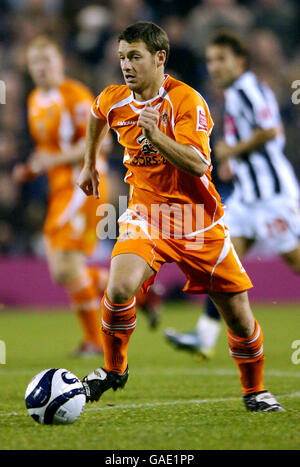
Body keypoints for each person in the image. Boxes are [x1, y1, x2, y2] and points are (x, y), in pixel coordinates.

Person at [78, 21, 284, 412]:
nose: (126, 65)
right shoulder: (114, 99)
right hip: (147, 216)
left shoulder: (187, 102)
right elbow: (96, 114)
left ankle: (254, 391)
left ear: (159, 58)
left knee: (239, 319)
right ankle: (113, 370)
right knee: (119, 288)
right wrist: (89, 163)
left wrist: (156, 137)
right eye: (122, 57)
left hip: (199, 224)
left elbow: (198, 162)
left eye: (134, 56)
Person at [165, 31, 300, 359]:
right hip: (247, 197)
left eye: (221, 59)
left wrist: (230, 150)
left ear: (239, 61)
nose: (214, 67)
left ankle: (205, 336)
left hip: (272, 196)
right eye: (210, 60)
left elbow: (271, 131)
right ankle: (204, 337)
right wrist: (233, 162)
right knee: (222, 262)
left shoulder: (247, 89)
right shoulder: (237, 92)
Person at [13, 36, 111, 357]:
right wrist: (31, 168)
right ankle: (132, 291)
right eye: (36, 62)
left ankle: (94, 343)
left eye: (47, 60)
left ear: (60, 62)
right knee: (61, 271)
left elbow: (102, 144)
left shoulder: (76, 95)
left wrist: (53, 161)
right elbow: (48, 149)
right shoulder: (33, 100)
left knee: (67, 266)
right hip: (60, 189)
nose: (42, 68)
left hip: (84, 186)